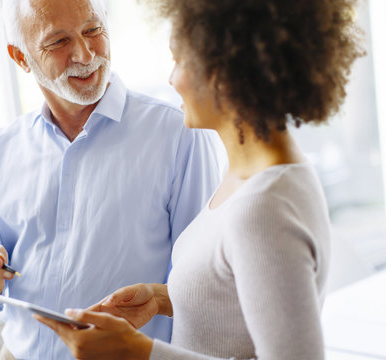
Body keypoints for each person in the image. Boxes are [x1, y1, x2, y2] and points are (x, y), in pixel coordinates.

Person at [34, 0, 364, 359]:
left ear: (224, 71)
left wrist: (139, 353)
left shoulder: (265, 206)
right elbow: (240, 296)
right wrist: (162, 298)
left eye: (179, 60)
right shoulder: (255, 174)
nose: (171, 78)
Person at [0, 0, 224, 359]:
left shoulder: (179, 134)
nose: (84, 54)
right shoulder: (3, 148)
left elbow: (210, 284)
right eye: (58, 42)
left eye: (92, 30)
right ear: (20, 57)